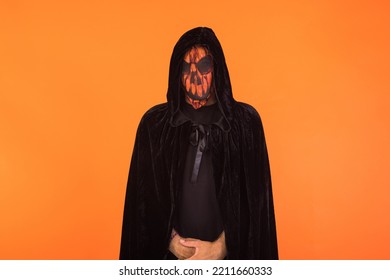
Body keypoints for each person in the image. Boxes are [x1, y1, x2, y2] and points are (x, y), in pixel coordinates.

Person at [120, 27, 278, 260]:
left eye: (204, 66)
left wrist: (221, 247)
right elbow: (141, 204)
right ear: (177, 71)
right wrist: (172, 241)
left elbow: (256, 206)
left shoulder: (245, 124)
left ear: (218, 69)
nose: (195, 77)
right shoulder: (154, 125)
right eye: (186, 67)